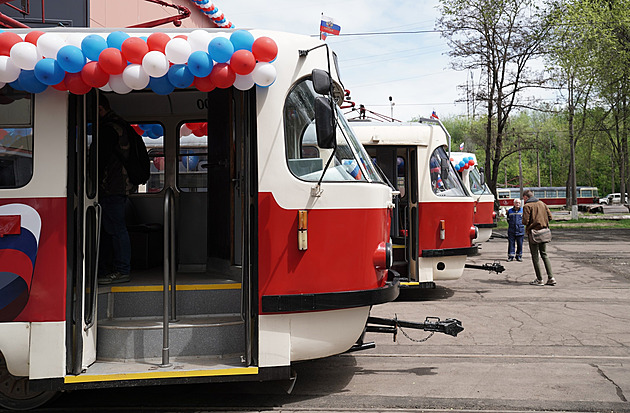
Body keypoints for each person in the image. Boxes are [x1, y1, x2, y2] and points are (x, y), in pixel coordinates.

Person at [97, 94, 134, 285]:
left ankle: (121, 270)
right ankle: (114, 268)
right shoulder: (119, 125)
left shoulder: (108, 129)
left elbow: (100, 161)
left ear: (100, 109)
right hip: (118, 185)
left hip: (111, 186)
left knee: (116, 230)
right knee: (114, 229)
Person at [522, 189, 555, 286]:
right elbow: (550, 217)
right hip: (544, 232)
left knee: (535, 257)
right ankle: (551, 277)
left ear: (526, 197)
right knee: (544, 254)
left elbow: (525, 221)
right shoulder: (542, 204)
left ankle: (539, 279)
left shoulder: (527, 206)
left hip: (533, 233)